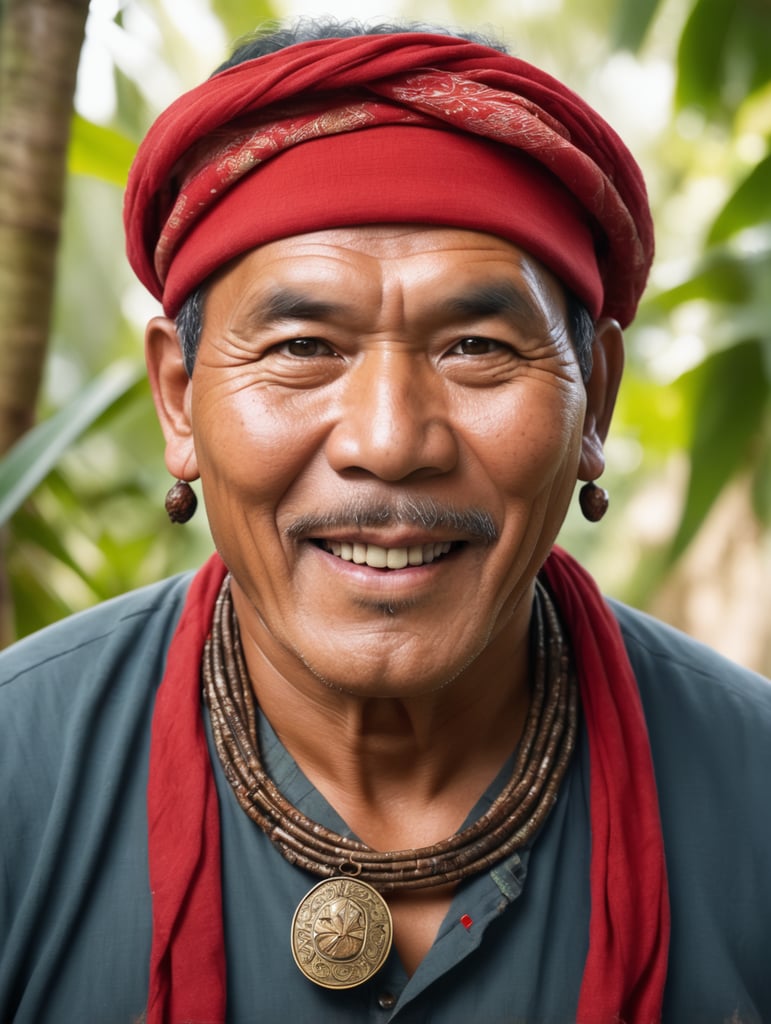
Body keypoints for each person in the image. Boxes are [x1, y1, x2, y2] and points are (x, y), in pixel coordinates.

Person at [1, 18, 769, 1024]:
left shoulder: (750, 796)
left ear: (599, 401)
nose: (390, 437)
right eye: (304, 345)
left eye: (479, 346)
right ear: (180, 400)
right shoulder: (21, 776)